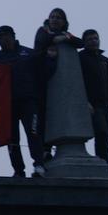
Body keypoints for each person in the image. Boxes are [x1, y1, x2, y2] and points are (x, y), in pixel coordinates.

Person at [0, 26, 46, 177]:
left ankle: (39, 165)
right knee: (11, 139)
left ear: (11, 36)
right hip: (7, 104)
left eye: (3, 37)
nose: (1, 41)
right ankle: (18, 170)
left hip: (29, 101)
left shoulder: (29, 53)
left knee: (33, 133)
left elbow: (41, 76)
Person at [33, 8, 82, 161]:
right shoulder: (42, 30)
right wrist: (57, 38)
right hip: (41, 80)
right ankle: (43, 151)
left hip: (59, 83)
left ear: (64, 21)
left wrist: (64, 38)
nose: (55, 20)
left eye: (58, 17)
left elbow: (79, 42)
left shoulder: (65, 34)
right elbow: (43, 41)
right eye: (52, 17)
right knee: (42, 117)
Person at [79, 29, 108, 163]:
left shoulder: (106, 61)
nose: (93, 41)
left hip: (107, 104)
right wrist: (85, 101)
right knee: (101, 132)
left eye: (95, 38)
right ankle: (102, 162)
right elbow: (78, 81)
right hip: (93, 104)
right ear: (85, 42)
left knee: (106, 137)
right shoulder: (81, 58)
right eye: (90, 39)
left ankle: (103, 164)